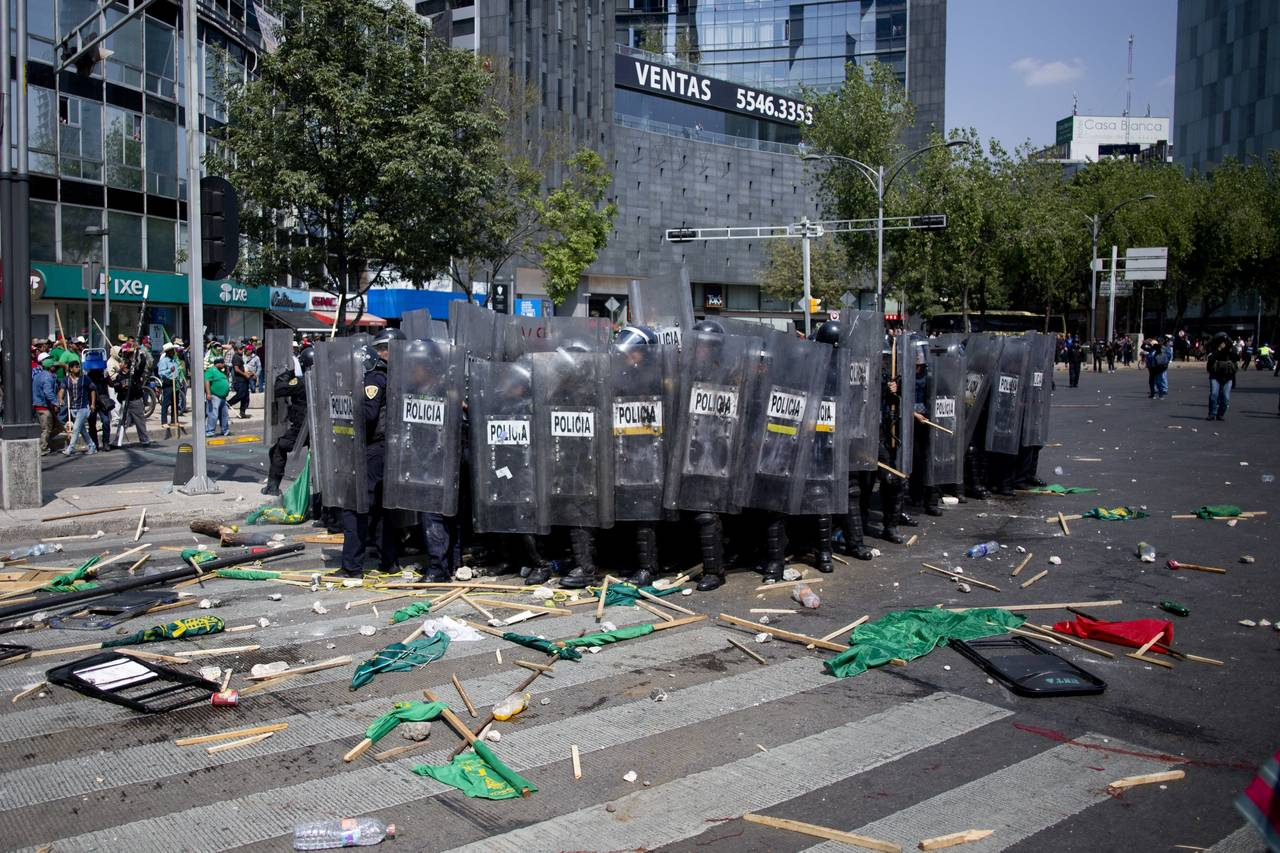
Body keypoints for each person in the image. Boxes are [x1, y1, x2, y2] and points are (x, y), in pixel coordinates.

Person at [340, 331, 400, 578]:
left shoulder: (376, 377)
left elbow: (368, 414)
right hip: (394, 449)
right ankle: (389, 561)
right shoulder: (401, 376)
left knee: (355, 506)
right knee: (385, 508)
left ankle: (352, 567)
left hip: (375, 448)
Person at [262, 346, 313, 496]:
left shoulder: (301, 382)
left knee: (278, 450)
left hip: (302, 429)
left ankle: (272, 487)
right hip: (321, 428)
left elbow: (279, 389)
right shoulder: (327, 380)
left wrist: (288, 374)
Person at [112, 344, 153, 447]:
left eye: (122, 363)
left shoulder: (134, 374)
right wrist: (122, 386)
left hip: (135, 400)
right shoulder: (119, 376)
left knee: (140, 421)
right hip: (125, 401)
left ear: (126, 365)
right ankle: (117, 441)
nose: (120, 364)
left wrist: (140, 351)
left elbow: (143, 363)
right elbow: (116, 387)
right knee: (123, 422)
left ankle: (144, 440)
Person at [61, 359, 97, 455]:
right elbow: (61, 390)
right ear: (71, 369)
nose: (78, 368)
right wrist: (60, 399)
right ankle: (92, 446)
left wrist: (92, 403)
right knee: (82, 430)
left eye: (78, 366)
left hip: (83, 407)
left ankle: (71, 448)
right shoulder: (66, 380)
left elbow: (92, 389)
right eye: (76, 367)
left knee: (76, 428)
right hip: (73, 408)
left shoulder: (85, 378)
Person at [32, 356, 61, 455]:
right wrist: (56, 403)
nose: (55, 368)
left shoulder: (38, 376)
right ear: (50, 367)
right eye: (54, 366)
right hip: (43, 406)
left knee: (49, 427)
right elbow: (48, 392)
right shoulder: (48, 377)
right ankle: (42, 448)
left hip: (38, 405)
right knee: (46, 428)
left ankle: (47, 445)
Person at [1206, 333, 1237, 421]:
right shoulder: (1215, 349)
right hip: (1215, 375)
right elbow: (1211, 359)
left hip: (1228, 377)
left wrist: (1230, 349)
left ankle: (1220, 414)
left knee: (1225, 398)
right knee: (1214, 394)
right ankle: (1212, 413)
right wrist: (1219, 349)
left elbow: (1236, 358)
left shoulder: (1231, 349)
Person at [204, 356, 232, 437]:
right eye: (222, 363)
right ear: (218, 363)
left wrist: (226, 370)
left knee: (224, 415)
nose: (224, 365)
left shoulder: (221, 371)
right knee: (213, 414)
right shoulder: (211, 370)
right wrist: (208, 393)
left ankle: (225, 430)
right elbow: (207, 382)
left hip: (223, 397)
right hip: (214, 396)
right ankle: (210, 431)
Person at [157, 342, 181, 426]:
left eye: (173, 350)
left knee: (175, 402)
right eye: (171, 350)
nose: (173, 352)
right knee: (166, 403)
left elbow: (178, 370)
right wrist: (170, 370)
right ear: (167, 352)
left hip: (175, 382)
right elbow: (161, 373)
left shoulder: (174, 360)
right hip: (168, 383)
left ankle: (174, 420)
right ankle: (164, 422)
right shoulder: (164, 361)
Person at [226, 342, 253, 419]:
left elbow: (243, 368)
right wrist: (245, 374)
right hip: (239, 380)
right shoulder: (236, 357)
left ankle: (242, 412)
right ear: (236, 349)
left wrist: (250, 373)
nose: (242, 350)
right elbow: (236, 369)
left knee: (246, 397)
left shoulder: (241, 356)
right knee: (240, 395)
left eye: (242, 348)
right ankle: (228, 403)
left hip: (244, 380)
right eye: (240, 348)